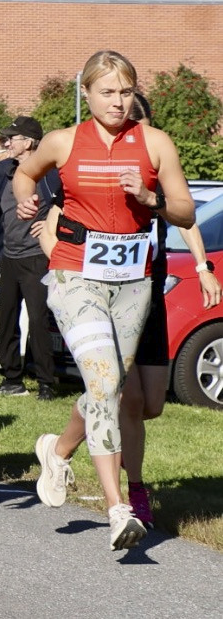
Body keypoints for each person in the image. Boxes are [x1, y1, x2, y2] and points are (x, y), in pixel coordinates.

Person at [15, 50, 194, 551]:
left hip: (133, 283)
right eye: (107, 92)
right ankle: (118, 509)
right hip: (75, 274)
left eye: (126, 92)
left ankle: (57, 450)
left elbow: (184, 211)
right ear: (87, 93)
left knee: (108, 388)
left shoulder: (155, 143)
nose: (118, 102)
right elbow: (25, 173)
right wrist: (26, 197)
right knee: (104, 381)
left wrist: (151, 199)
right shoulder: (63, 141)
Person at [37, 93, 221, 528]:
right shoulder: (88, 170)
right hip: (95, 290)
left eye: (138, 123)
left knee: (151, 402)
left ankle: (59, 448)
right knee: (121, 395)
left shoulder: (154, 168)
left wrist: (202, 267)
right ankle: (131, 493)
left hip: (145, 288)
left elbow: (186, 219)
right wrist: (71, 278)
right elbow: (51, 226)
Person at [0, 116, 61, 399]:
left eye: (12, 139)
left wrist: (53, 224)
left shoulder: (50, 173)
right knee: (6, 320)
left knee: (39, 321)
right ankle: (12, 380)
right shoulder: (3, 171)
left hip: (37, 257)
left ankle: (46, 383)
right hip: (8, 257)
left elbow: (72, 202)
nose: (7, 144)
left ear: (28, 143)